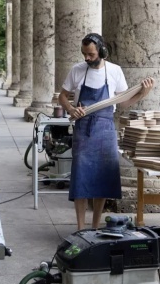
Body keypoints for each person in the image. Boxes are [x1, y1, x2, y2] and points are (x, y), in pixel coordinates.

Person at [58, 33, 155, 230]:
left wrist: (142, 94)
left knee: (102, 178)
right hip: (83, 129)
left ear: (102, 51)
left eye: (91, 54)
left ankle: (94, 227)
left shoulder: (115, 71)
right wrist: (70, 109)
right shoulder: (77, 70)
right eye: (84, 54)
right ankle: (80, 228)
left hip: (105, 129)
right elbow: (62, 96)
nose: (87, 58)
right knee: (81, 179)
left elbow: (122, 103)